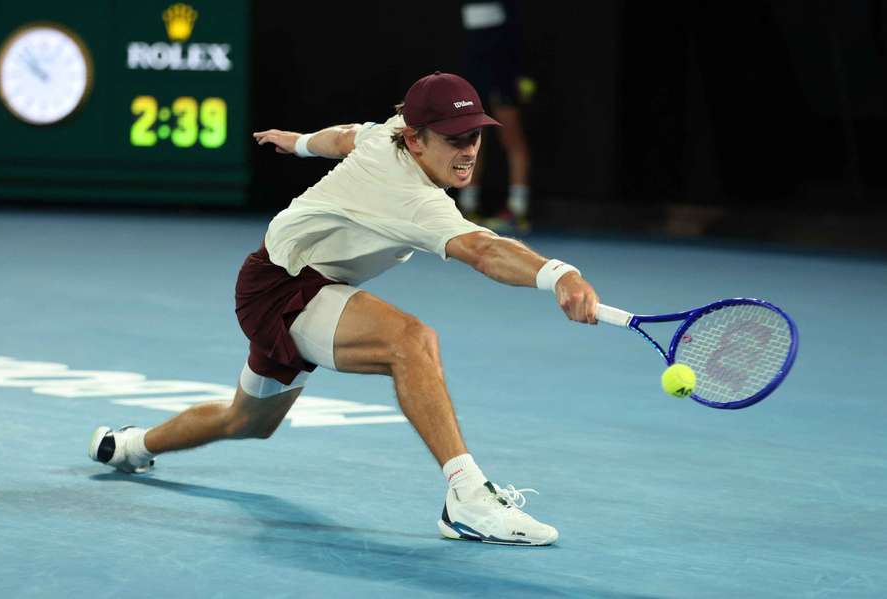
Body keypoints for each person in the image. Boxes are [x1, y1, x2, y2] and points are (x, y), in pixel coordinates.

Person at [88, 72, 599, 546]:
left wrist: (299, 143)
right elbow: (484, 250)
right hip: (285, 287)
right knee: (411, 342)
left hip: (293, 281)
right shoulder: (410, 193)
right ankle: (467, 498)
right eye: (454, 139)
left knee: (245, 421)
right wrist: (559, 275)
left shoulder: (395, 133)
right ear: (416, 139)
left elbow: (347, 136)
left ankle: (131, 446)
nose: (468, 150)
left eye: (474, 136)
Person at [457, 0, 533, 234]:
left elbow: (516, 27)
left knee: (511, 137)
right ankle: (467, 208)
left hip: (503, 68)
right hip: (474, 65)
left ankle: (518, 210)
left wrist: (520, 73)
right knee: (473, 137)